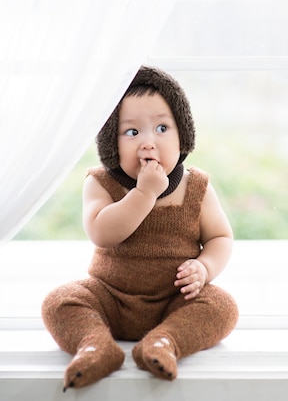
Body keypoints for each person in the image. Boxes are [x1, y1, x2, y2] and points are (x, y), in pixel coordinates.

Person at [42, 66, 238, 390]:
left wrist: (205, 267)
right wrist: (144, 193)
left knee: (223, 307)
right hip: (109, 299)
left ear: (182, 135)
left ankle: (164, 342)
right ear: (110, 143)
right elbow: (101, 232)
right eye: (132, 133)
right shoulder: (100, 183)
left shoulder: (196, 187)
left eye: (162, 127)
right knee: (59, 301)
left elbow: (220, 237)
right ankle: (95, 345)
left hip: (174, 302)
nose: (148, 143)